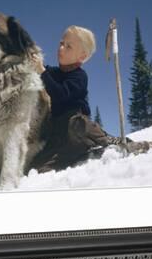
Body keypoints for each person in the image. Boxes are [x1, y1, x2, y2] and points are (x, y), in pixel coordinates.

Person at [29, 25, 120, 173]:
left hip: (76, 123)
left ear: (82, 56)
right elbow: (42, 70)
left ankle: (109, 142)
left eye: (68, 46)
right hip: (59, 132)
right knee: (36, 168)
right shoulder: (53, 72)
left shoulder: (79, 76)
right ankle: (79, 155)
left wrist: (42, 71)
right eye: (61, 44)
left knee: (78, 125)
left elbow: (61, 94)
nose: (61, 48)